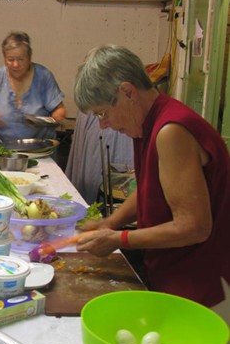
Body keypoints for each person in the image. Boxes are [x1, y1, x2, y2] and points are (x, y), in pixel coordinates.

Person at [73, 44, 230, 318]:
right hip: (175, 272)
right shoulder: (148, 125)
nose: (102, 125)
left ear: (128, 92)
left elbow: (194, 227)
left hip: (203, 286)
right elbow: (149, 188)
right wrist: (110, 222)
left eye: (102, 113)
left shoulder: (171, 131)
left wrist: (119, 238)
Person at [0, 31, 67, 141]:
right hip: (4, 149)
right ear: (4, 59)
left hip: (40, 148)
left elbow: (59, 109)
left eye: (21, 59)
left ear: (29, 57)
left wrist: (58, 117)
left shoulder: (43, 76)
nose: (15, 65)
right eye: (10, 59)